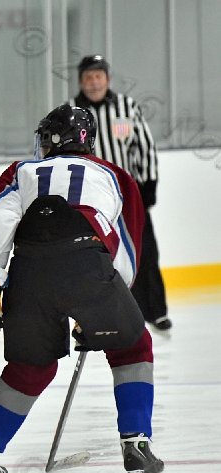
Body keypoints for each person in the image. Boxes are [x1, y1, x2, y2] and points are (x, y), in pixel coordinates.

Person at [0, 105, 164, 473]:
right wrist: (110, 302)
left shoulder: (21, 171)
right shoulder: (114, 175)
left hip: (30, 269)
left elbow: (0, 221)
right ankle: (136, 443)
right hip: (88, 264)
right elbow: (125, 245)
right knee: (132, 346)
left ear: (52, 140)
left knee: (30, 365)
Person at [71, 54, 170, 332]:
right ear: (81, 81)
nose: (93, 82)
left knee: (145, 251)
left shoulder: (126, 107)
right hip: (92, 199)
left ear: (108, 79)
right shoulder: (72, 112)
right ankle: (92, 319)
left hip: (129, 196)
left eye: (98, 76)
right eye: (88, 77)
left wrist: (148, 186)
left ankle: (155, 311)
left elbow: (144, 146)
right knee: (92, 256)